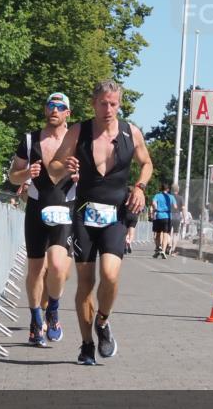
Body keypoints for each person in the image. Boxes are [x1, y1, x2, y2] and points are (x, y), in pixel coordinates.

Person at [49, 80, 153, 366]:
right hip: (83, 213)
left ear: (119, 104)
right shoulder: (78, 132)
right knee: (85, 282)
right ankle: (85, 345)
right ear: (94, 104)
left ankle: (103, 321)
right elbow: (54, 167)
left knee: (110, 275)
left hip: (115, 214)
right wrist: (64, 167)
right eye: (103, 103)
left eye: (113, 104)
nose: (108, 109)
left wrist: (140, 188)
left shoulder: (130, 133)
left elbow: (147, 163)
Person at [7, 93, 76, 347]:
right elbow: (13, 176)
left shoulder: (77, 141)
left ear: (68, 113)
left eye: (60, 107)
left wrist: (83, 177)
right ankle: (37, 319)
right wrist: (26, 173)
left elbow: (96, 176)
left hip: (65, 209)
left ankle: (53, 310)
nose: (54, 110)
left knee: (58, 268)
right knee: (36, 270)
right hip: (37, 209)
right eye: (51, 105)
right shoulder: (30, 140)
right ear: (45, 110)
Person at [150, 183, 175, 259]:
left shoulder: (157, 195)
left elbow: (153, 203)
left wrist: (156, 208)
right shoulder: (171, 197)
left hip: (158, 216)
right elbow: (175, 206)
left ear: (161, 188)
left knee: (157, 233)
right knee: (165, 234)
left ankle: (158, 247)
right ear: (168, 189)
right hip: (167, 217)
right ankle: (163, 251)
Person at [124, 184, 139, 254]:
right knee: (131, 233)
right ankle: (129, 242)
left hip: (126, 215)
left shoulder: (125, 197)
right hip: (134, 216)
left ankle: (125, 243)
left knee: (125, 232)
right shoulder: (136, 197)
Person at [169, 183, 184, 256]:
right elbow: (183, 209)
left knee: (168, 233)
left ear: (171, 190)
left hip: (169, 216)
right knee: (175, 234)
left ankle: (168, 246)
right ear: (178, 190)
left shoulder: (169, 197)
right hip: (177, 217)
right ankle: (172, 250)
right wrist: (184, 218)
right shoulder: (180, 198)